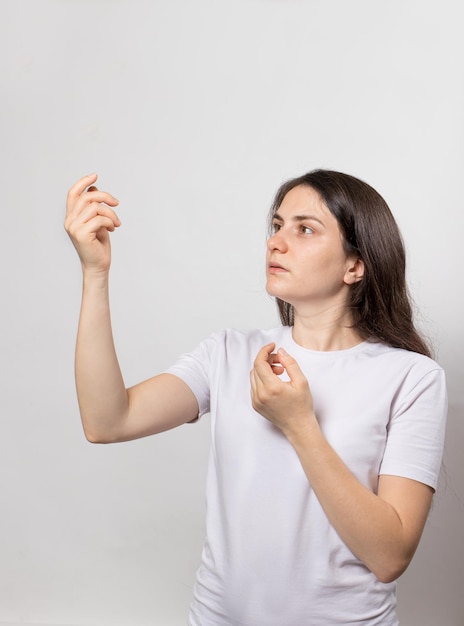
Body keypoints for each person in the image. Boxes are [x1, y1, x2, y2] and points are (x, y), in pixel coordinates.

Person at [65, 169, 447, 626]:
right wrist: (95, 272)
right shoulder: (228, 353)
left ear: (355, 265)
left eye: (304, 229)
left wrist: (300, 426)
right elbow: (108, 421)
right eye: (277, 225)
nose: (277, 242)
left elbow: (389, 556)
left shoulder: (412, 378)